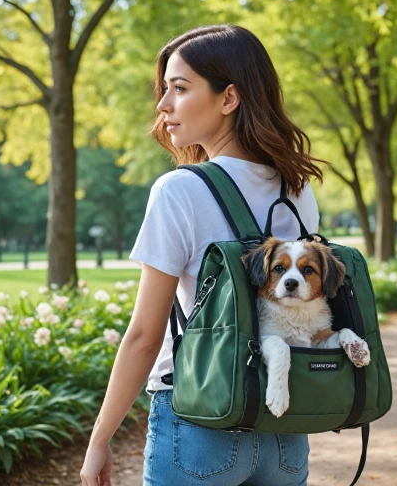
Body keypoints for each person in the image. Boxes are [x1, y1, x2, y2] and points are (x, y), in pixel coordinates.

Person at [80, 24, 327, 486]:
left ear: (229, 97)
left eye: (180, 88)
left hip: (200, 417)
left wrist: (99, 440)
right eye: (164, 90)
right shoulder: (296, 188)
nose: (163, 105)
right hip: (284, 427)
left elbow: (144, 336)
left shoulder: (180, 189)